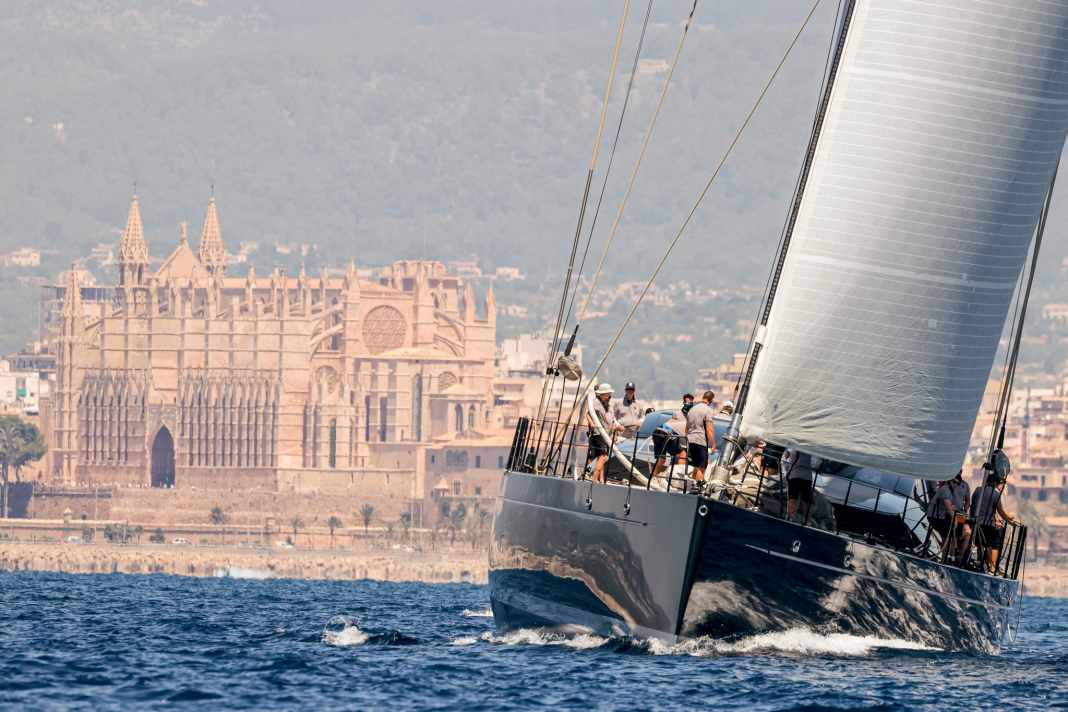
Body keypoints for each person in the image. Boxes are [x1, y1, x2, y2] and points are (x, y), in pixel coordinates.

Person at [970, 473, 1017, 573]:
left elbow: (975, 505)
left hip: (974, 524)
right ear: (995, 483)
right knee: (996, 541)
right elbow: (1000, 511)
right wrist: (1010, 519)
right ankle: (992, 567)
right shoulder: (995, 494)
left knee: (982, 543)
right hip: (986, 526)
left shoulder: (978, 490)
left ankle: (982, 561)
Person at [926, 470, 972, 565]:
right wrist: (955, 519)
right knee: (950, 535)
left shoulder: (962, 486)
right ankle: (948, 558)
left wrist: (964, 512)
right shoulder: (946, 488)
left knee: (968, 528)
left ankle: (959, 557)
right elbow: (948, 507)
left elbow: (967, 501)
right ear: (950, 480)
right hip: (941, 516)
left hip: (956, 514)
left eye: (957, 483)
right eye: (954, 482)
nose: (955, 484)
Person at [585, 382, 623, 484]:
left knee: (600, 457)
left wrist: (617, 428)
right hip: (598, 433)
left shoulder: (609, 406)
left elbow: (613, 420)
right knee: (602, 456)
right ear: (601, 394)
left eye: (609, 395)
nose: (609, 397)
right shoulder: (596, 403)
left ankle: (599, 478)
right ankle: (593, 478)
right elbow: (588, 413)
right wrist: (591, 423)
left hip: (606, 435)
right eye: (607, 395)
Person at [685, 391, 717, 489]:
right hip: (700, 441)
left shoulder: (692, 409)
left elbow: (686, 428)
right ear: (711, 400)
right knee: (701, 467)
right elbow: (709, 429)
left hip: (690, 440)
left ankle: (692, 487)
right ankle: (698, 488)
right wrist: (713, 443)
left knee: (695, 465)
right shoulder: (708, 410)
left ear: (703, 397)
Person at [652, 403, 688, 480]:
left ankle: (653, 478)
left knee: (661, 459)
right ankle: (677, 479)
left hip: (657, 431)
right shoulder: (690, 423)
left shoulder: (677, 415)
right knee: (682, 455)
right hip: (667, 433)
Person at [784, 449, 815, 523]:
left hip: (795, 475)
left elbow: (786, 456)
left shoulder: (793, 446)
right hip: (807, 477)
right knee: (805, 501)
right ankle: (808, 522)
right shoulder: (813, 448)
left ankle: (790, 519)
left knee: (792, 499)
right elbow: (816, 464)